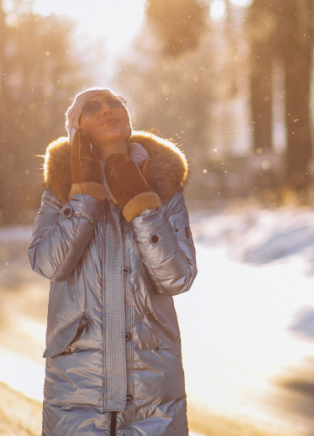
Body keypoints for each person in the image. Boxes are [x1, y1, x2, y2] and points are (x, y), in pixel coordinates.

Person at [29, 87, 198, 435]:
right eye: (93, 107)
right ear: (78, 128)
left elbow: (178, 278)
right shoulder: (60, 191)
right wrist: (84, 197)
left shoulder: (163, 186)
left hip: (153, 387)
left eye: (115, 103)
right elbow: (48, 263)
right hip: (77, 387)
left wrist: (143, 206)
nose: (108, 109)